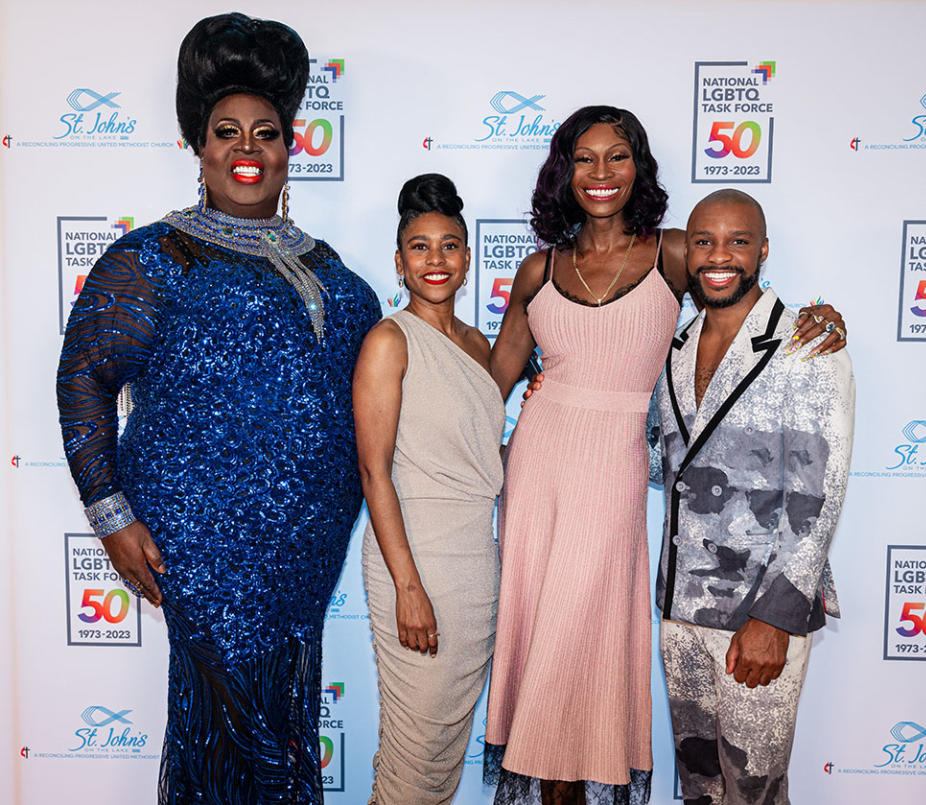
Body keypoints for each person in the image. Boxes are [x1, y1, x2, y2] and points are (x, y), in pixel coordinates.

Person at [56, 13, 380, 804]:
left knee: (284, 721)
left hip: (302, 563)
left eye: (264, 132)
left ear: (289, 147)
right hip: (198, 552)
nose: (246, 148)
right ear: (198, 147)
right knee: (223, 732)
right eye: (225, 131)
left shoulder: (339, 278)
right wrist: (111, 516)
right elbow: (83, 381)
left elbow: (382, 399)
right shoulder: (153, 259)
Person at [483, 106, 847, 804]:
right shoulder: (537, 268)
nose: (599, 172)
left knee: (583, 643)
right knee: (544, 644)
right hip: (538, 469)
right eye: (583, 157)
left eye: (616, 156)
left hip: (615, 467)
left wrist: (821, 315)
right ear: (564, 169)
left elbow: (739, 293)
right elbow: (489, 383)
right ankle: (550, 789)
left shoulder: (673, 251)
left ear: (638, 167)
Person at [656, 189, 854, 805]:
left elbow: (823, 488)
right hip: (681, 614)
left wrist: (775, 616)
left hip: (760, 614)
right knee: (701, 787)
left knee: (755, 791)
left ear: (763, 250)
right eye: (705, 242)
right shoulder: (676, 345)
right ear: (686, 253)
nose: (720, 256)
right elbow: (658, 457)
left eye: (737, 241)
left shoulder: (807, 341)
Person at [353, 174, 504, 803]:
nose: (435, 260)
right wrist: (408, 589)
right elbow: (373, 472)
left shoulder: (479, 346)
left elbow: (478, 457)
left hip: (477, 566)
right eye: (420, 247)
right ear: (399, 261)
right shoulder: (389, 342)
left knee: (440, 756)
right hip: (413, 562)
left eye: (449, 246)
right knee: (414, 756)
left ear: (468, 258)